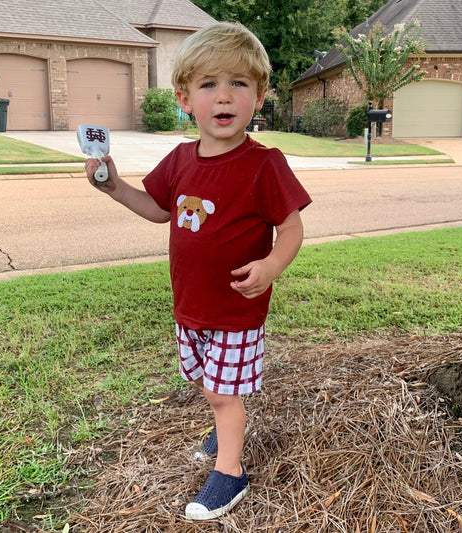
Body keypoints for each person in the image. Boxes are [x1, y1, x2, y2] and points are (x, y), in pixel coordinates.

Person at [85, 21, 312, 521]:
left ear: (260, 96)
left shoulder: (264, 164)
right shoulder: (181, 158)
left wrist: (272, 265)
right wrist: (115, 188)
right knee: (206, 381)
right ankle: (223, 424)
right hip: (192, 305)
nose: (224, 96)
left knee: (221, 391)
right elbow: (159, 208)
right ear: (186, 98)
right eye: (209, 84)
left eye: (239, 84)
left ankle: (230, 472)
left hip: (238, 307)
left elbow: (292, 227)